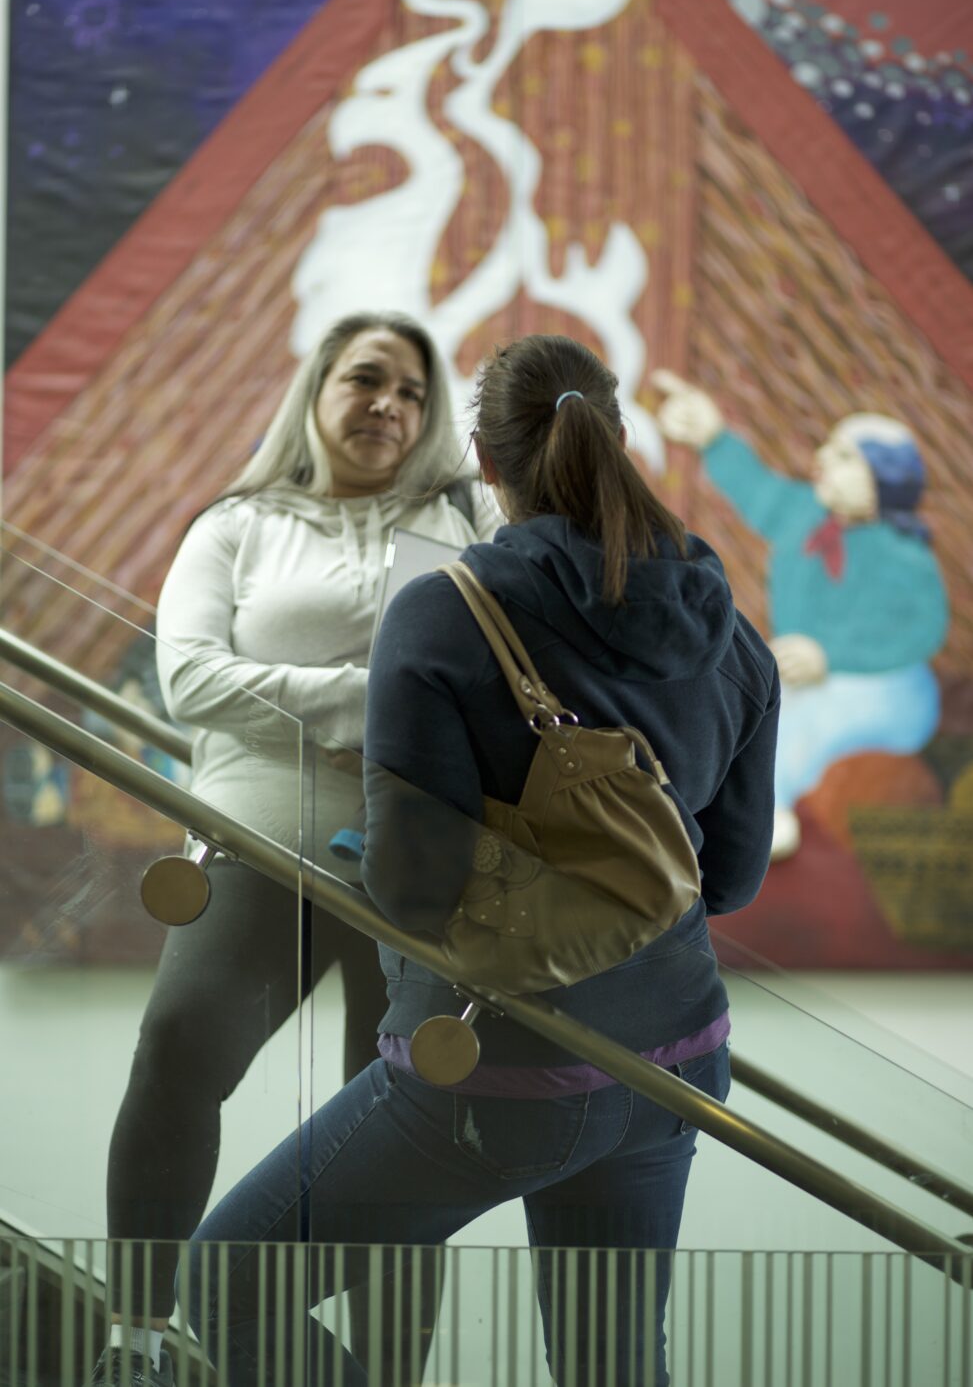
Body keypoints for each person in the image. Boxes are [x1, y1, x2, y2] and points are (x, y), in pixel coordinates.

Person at [184, 333, 780, 1386]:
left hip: (500, 1065)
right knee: (612, 1362)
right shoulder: (725, 628)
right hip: (679, 1060)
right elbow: (726, 879)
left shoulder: (446, 611)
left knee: (227, 1280)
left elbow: (415, 890)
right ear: (617, 439)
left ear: (485, 459)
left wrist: (361, 847)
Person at [90, 311, 500, 1387]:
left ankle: (389, 1373)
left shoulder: (465, 524)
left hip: (416, 870)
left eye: (413, 391)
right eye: (367, 378)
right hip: (251, 843)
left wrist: (340, 705)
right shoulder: (237, 523)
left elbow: (494, 686)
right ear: (315, 389)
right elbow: (189, 681)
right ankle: (134, 1334)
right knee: (178, 1044)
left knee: (404, 1120)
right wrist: (372, 698)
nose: (390, 405)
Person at [653, 369, 948, 859]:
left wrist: (829, 654)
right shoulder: (804, 516)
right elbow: (758, 491)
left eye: (843, 457)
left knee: (805, 716)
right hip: (807, 677)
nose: (821, 462)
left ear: (885, 478)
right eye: (826, 450)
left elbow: (921, 631)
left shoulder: (905, 557)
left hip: (888, 689)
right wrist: (712, 437)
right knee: (743, 699)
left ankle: (770, 815)